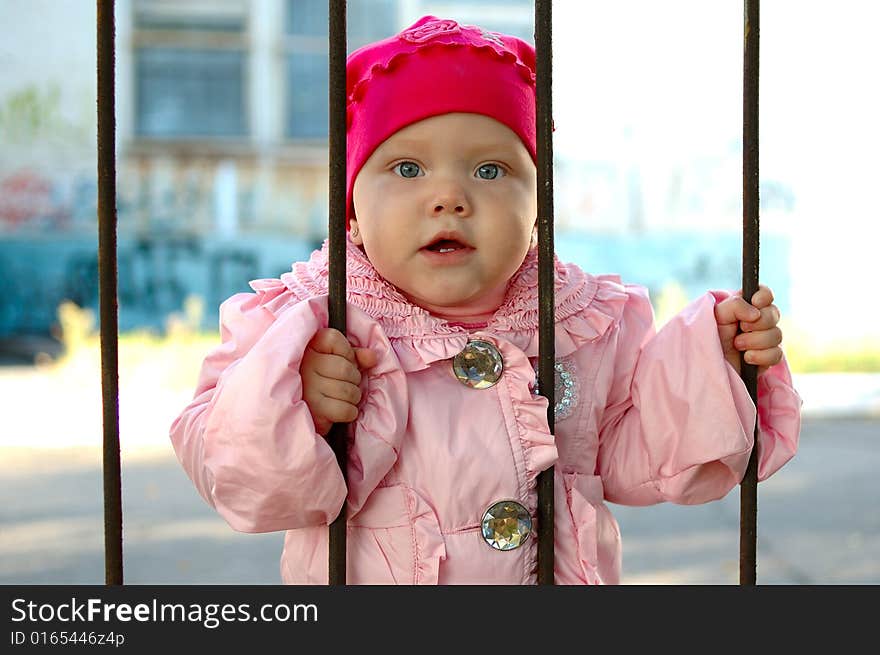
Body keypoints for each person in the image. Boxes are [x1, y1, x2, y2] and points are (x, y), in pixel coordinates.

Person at [169, 16, 801, 585]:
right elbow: (229, 471)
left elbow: (639, 458)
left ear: (537, 210)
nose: (449, 196)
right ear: (353, 211)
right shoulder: (307, 322)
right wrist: (292, 402)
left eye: (491, 170)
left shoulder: (580, 322)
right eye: (408, 169)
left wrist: (715, 364)